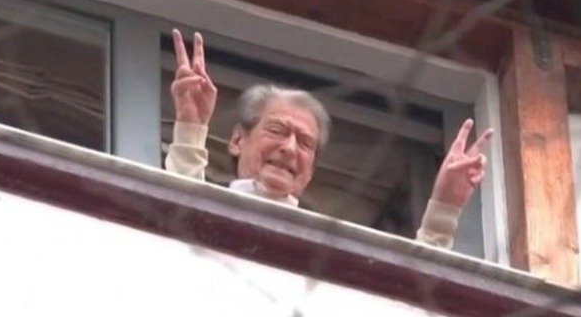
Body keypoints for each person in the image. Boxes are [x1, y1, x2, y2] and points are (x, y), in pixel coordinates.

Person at [164, 30, 493, 249]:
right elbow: (174, 216)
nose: (289, 148)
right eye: (277, 130)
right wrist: (191, 128)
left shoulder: (328, 247)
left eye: (305, 143)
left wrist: (444, 208)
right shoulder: (202, 210)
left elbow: (412, 293)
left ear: (310, 171)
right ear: (238, 140)